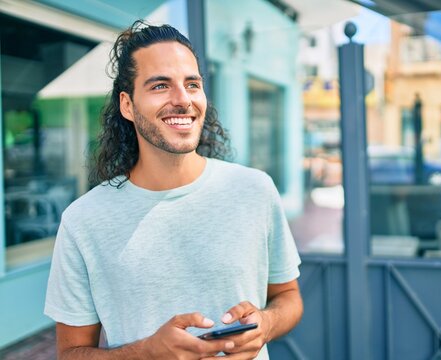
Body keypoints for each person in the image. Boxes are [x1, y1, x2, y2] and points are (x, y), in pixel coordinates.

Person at [44, 20, 303, 360]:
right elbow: (71, 353)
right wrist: (147, 353)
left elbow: (289, 297)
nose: (182, 100)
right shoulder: (84, 220)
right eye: (160, 86)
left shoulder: (254, 189)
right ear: (127, 105)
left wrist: (265, 324)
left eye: (192, 84)